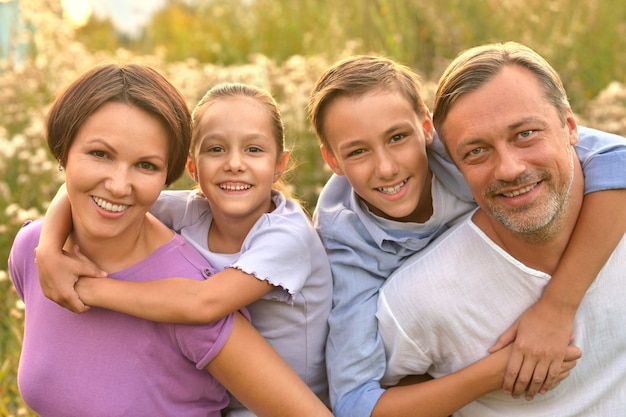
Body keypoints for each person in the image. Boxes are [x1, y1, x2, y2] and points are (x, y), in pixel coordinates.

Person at [308, 55, 626, 416]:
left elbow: (616, 156)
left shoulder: (465, 142)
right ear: (333, 161)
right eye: (358, 151)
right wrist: (495, 372)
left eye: (398, 137)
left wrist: (557, 306)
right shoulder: (347, 247)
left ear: (426, 127)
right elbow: (353, 403)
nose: (386, 167)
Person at [8, 63, 333, 417]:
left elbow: (201, 302)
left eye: (146, 165)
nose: (119, 185)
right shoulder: (34, 250)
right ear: (193, 171)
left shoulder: (285, 236)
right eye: (100, 154)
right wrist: (48, 251)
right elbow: (85, 195)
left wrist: (85, 289)